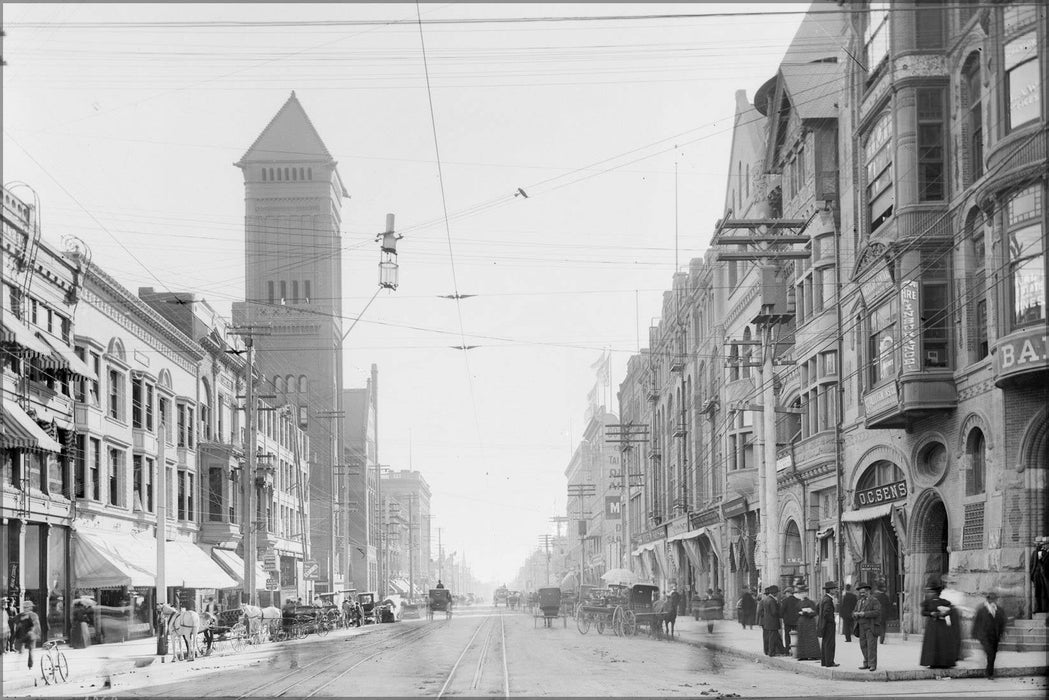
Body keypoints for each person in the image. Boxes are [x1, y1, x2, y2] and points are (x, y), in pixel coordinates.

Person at [919, 581, 959, 669]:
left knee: (941, 643)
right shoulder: (927, 602)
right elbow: (923, 612)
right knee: (933, 643)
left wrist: (943, 613)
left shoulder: (944, 602)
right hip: (932, 625)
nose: (932, 594)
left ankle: (943, 662)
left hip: (941, 625)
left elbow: (950, 611)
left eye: (933, 592)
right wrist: (931, 613)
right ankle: (932, 661)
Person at [972, 591, 1007, 679]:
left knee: (993, 654)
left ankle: (989, 671)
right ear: (987, 599)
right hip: (985, 636)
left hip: (995, 636)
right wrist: (975, 634)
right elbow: (977, 622)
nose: (992, 600)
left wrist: (1002, 633)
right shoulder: (982, 610)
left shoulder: (999, 610)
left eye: (994, 599)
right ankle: (989, 673)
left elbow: (1002, 623)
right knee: (990, 653)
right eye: (990, 598)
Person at [853, 582, 881, 671]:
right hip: (861, 627)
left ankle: (872, 664)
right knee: (863, 645)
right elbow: (854, 611)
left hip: (870, 627)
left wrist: (864, 614)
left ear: (868, 591)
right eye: (860, 592)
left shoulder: (874, 600)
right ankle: (866, 663)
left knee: (871, 646)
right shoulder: (859, 602)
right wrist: (855, 614)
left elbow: (877, 612)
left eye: (863, 592)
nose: (862, 594)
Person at [816, 581, 839, 667]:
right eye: (834, 588)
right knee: (830, 643)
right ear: (830, 590)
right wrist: (832, 620)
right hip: (828, 624)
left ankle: (825, 661)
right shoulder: (828, 600)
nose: (835, 590)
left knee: (825, 643)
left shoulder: (824, 599)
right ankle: (829, 662)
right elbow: (826, 613)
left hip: (824, 624)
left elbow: (817, 608)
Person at [13, 599, 41, 669]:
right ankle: (29, 666)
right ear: (31, 607)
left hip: (24, 635)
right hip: (30, 635)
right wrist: (37, 633)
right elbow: (36, 625)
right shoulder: (33, 615)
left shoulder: (20, 615)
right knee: (31, 650)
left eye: (26, 607)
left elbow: (14, 620)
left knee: (22, 650)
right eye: (25, 607)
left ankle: (18, 664)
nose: (25, 609)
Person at [793, 586, 820, 661]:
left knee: (811, 639)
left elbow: (815, 612)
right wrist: (799, 613)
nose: (803, 594)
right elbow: (795, 612)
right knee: (802, 638)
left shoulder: (811, 602)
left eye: (804, 593)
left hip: (809, 622)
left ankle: (813, 654)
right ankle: (802, 655)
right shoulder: (798, 603)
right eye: (801, 593)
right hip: (801, 623)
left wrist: (809, 612)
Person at [760, 586, 782, 656]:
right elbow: (774, 612)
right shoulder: (772, 600)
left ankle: (779, 650)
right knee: (772, 638)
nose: (778, 594)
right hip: (773, 622)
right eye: (777, 592)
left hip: (768, 622)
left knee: (773, 637)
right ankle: (771, 652)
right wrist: (780, 612)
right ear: (774, 593)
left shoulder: (766, 599)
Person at [780, 587, 800, 654]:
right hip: (796, 621)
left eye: (786, 593)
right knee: (796, 635)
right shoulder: (798, 600)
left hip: (787, 621)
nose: (785, 595)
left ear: (788, 593)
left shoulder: (785, 601)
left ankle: (788, 650)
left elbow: (781, 611)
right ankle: (796, 649)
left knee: (787, 636)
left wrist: (783, 617)